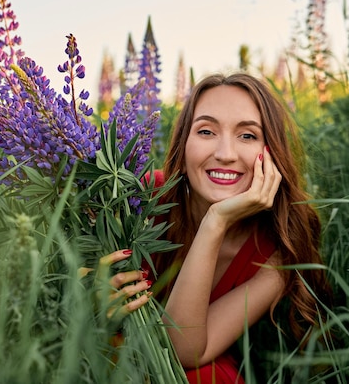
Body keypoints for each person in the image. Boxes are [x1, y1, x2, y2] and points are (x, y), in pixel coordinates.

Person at [102, 72, 332, 383]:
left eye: (248, 136)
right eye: (207, 131)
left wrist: (216, 221)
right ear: (183, 145)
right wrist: (89, 290)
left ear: (273, 154)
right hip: (107, 345)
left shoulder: (276, 255)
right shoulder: (141, 195)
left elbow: (183, 350)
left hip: (191, 361)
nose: (225, 154)